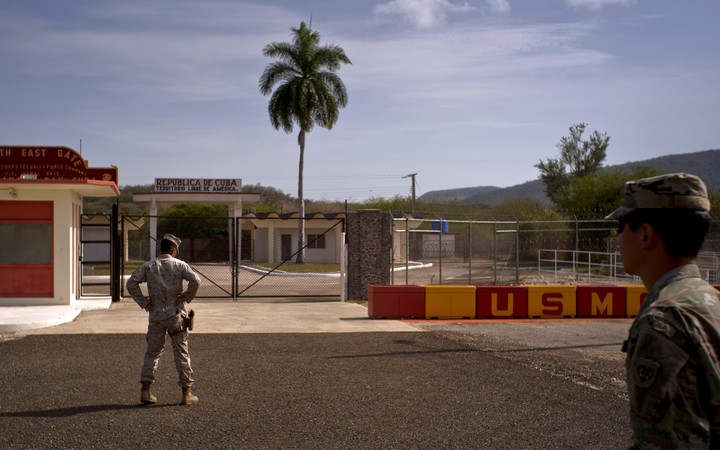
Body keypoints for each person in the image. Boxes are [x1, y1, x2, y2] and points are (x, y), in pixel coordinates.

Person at [606, 173, 720, 448]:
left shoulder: (662, 325)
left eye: (622, 226)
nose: (618, 238)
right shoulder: (710, 301)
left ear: (645, 234)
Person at [126, 233, 201, 406]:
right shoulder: (180, 265)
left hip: (156, 316)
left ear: (162, 249)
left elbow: (131, 283)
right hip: (175, 315)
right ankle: (186, 393)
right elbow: (196, 280)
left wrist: (144, 302)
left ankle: (146, 391)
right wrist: (186, 297)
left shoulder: (149, 266)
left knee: (153, 353)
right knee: (181, 353)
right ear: (173, 250)